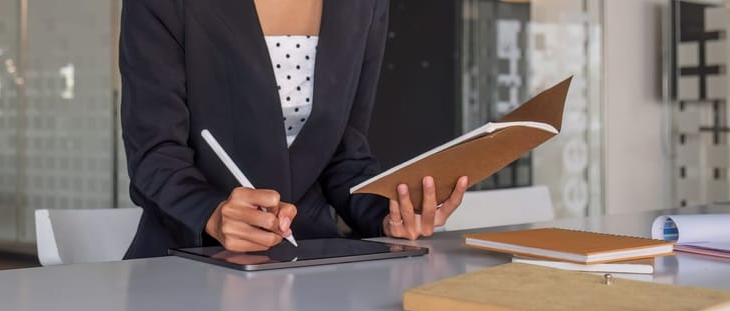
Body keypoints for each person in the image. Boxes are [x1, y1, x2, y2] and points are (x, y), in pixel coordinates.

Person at [119, 0, 468, 258]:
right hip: (185, 265)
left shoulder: (366, 6)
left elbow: (346, 155)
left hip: (311, 268)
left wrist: (389, 217)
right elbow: (155, 153)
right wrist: (211, 213)